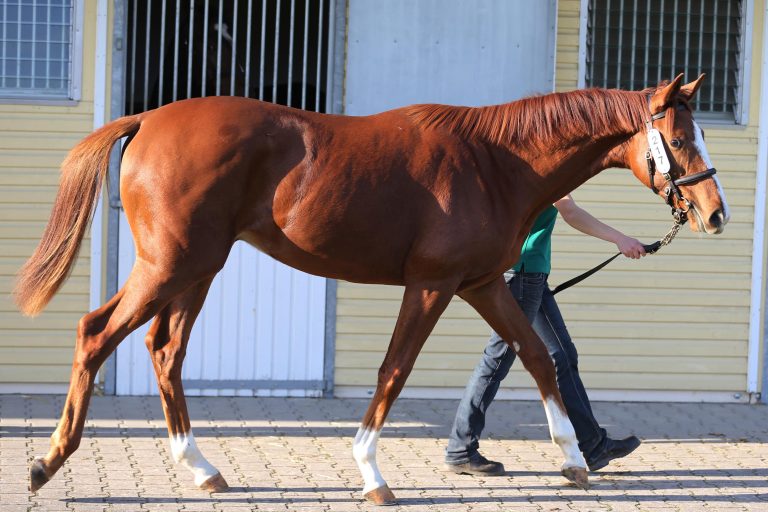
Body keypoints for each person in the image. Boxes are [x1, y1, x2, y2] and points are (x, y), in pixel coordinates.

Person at [445, 194, 645, 475]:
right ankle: (460, 448)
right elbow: (571, 212)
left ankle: (594, 445)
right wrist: (620, 239)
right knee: (497, 360)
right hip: (522, 275)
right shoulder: (542, 166)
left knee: (562, 356)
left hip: (529, 275)